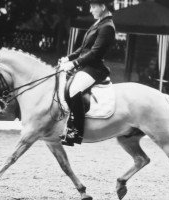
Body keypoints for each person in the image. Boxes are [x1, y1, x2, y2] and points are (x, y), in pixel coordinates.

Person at [59, 0, 115, 146]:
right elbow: (84, 48)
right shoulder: (98, 23)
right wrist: (69, 57)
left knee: (74, 89)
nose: (90, 10)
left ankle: (76, 131)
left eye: (93, 6)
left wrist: (74, 63)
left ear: (102, 7)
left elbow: (95, 53)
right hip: (86, 66)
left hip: (95, 68)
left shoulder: (107, 27)